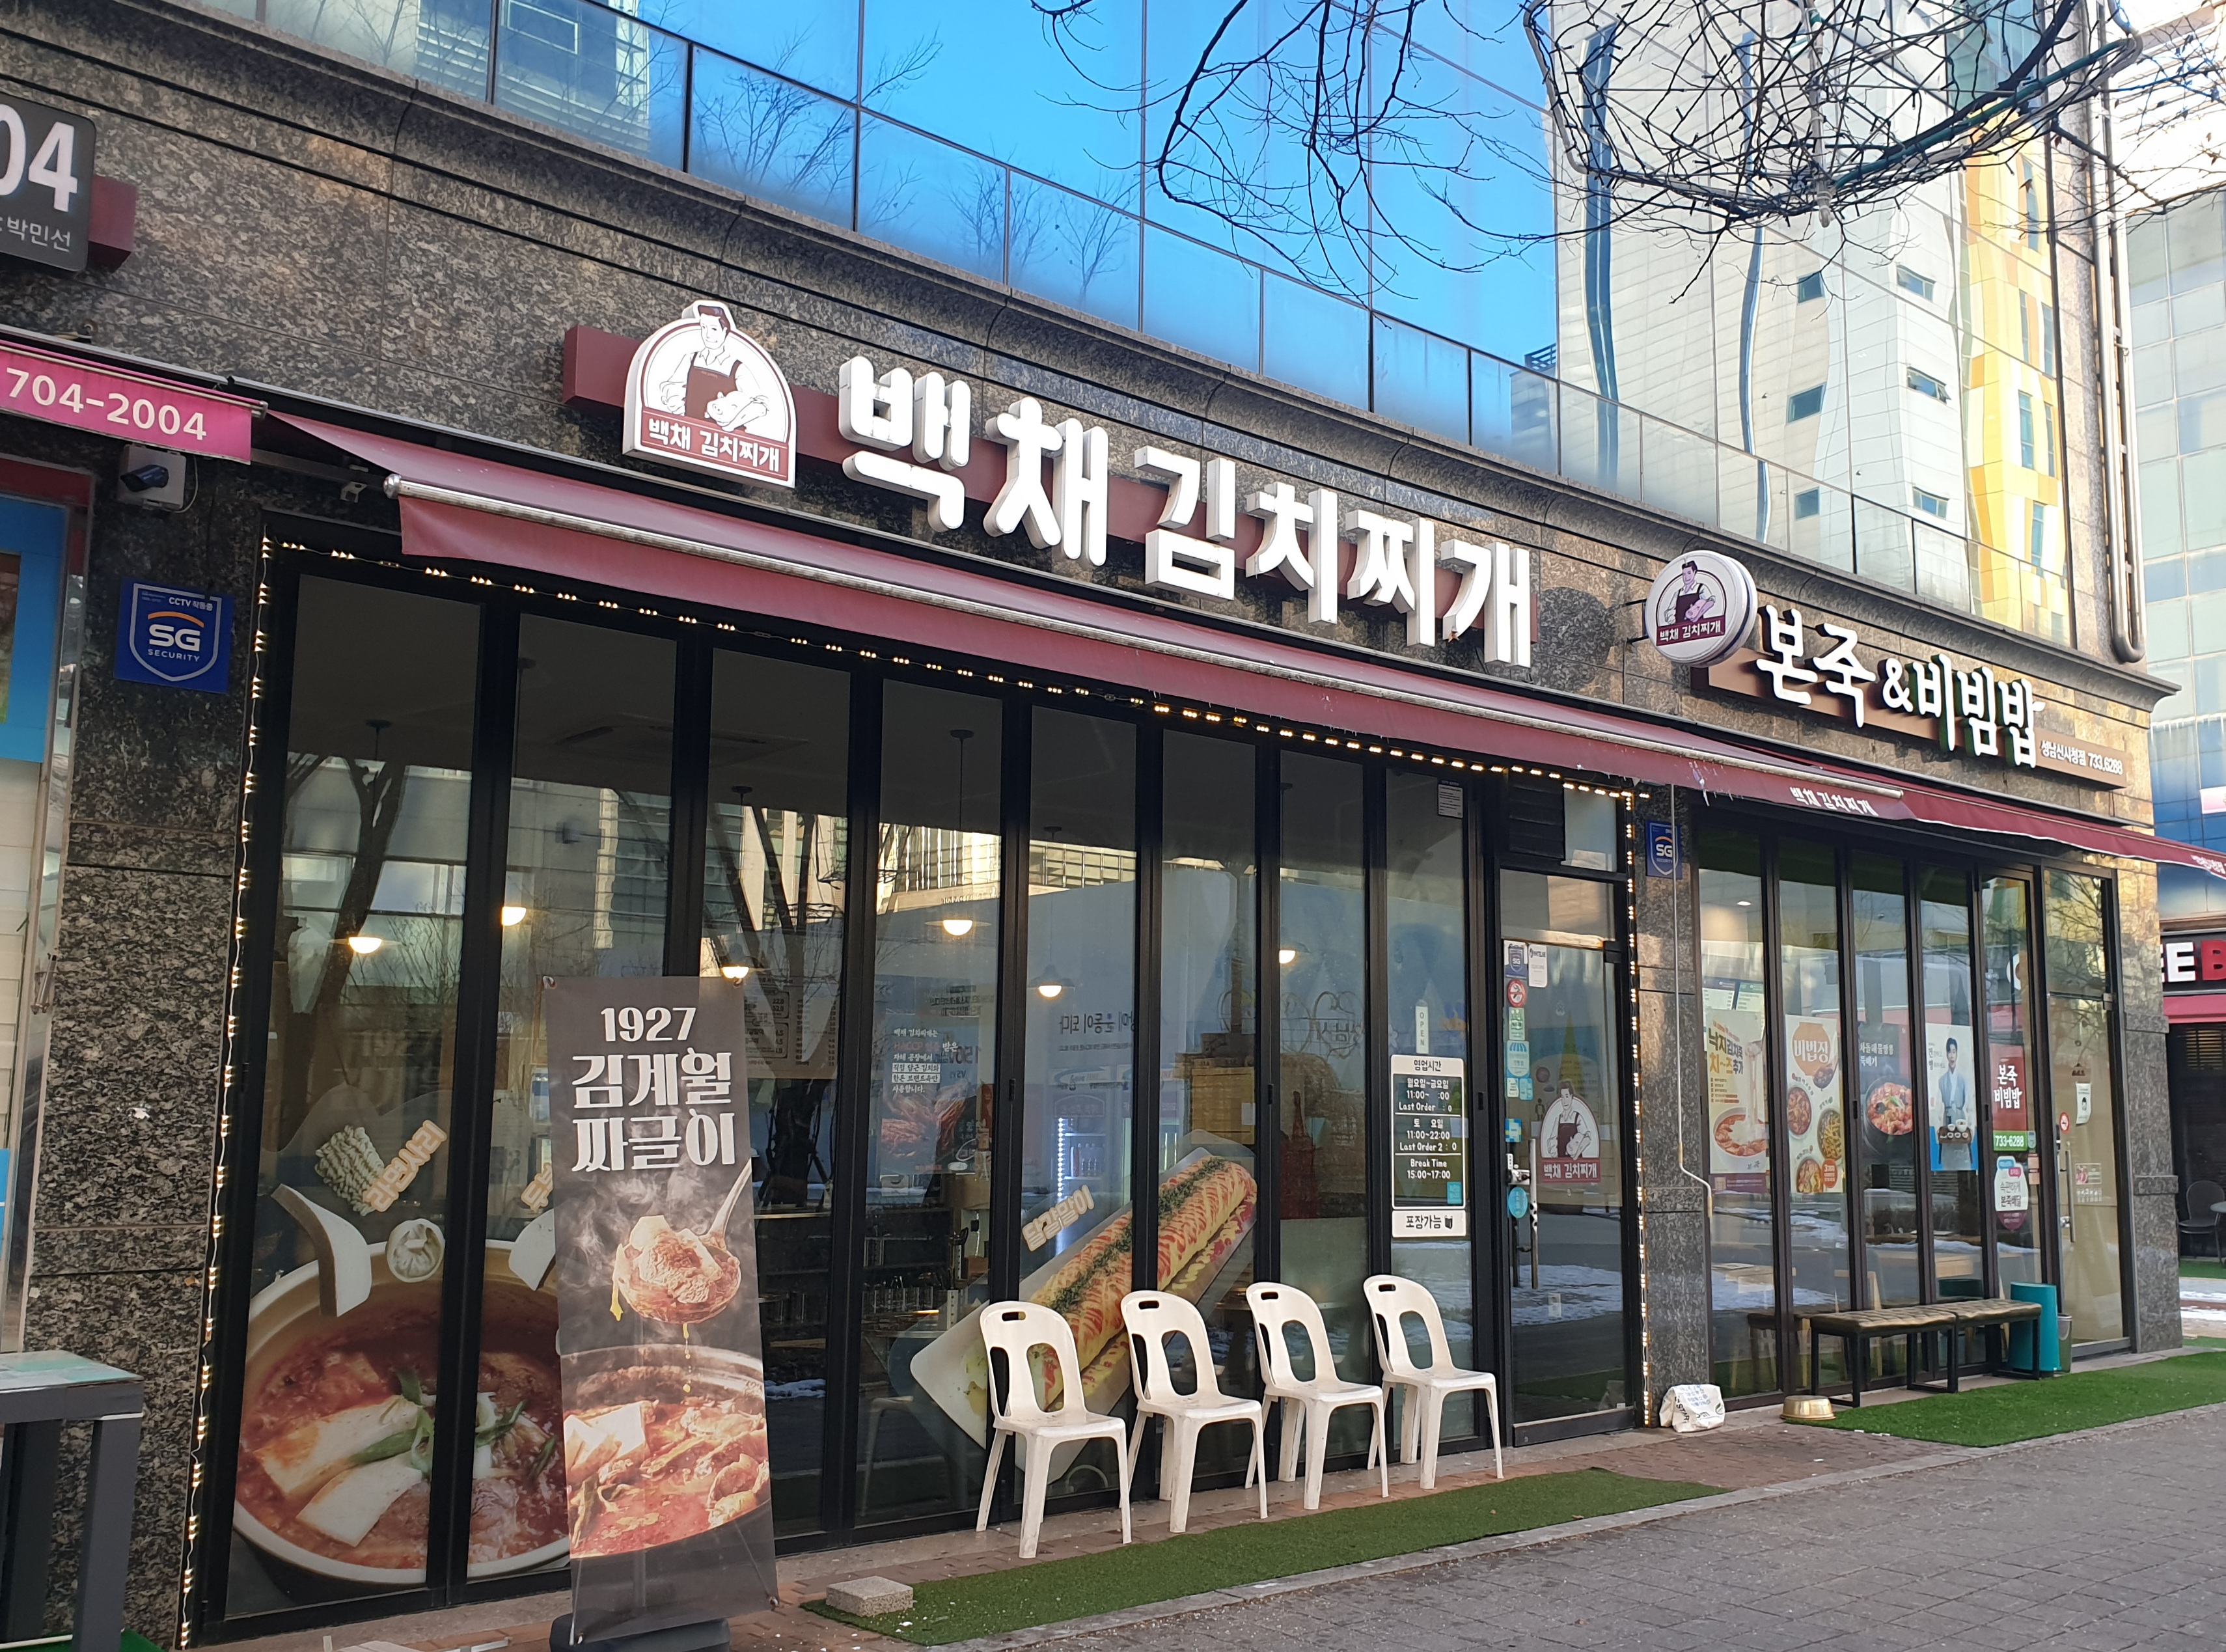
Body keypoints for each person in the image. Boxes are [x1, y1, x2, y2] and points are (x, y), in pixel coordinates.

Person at [659, 303, 770, 432]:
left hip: (724, 440)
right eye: (704, 327)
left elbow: (761, 405)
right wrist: (673, 399)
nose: (708, 335)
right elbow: (671, 386)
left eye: (714, 329)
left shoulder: (737, 368)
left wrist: (733, 424)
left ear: (725, 331)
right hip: (691, 433)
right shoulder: (691, 359)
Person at [1935, 1036, 1973, 1172]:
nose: (1952, 1055)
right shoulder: (1942, 1080)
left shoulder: (1963, 1079)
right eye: (1949, 1052)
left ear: (1957, 1054)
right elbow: (1938, 1107)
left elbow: (1970, 1106)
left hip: (1961, 1118)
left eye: (1954, 1051)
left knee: (1962, 1152)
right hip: (1947, 1119)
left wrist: (1971, 1127)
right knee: (1948, 1154)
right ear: (1946, 1055)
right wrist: (1938, 1127)